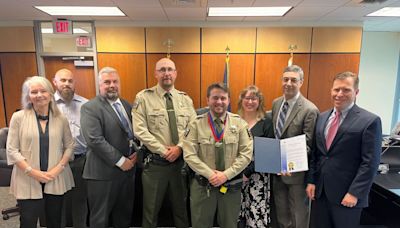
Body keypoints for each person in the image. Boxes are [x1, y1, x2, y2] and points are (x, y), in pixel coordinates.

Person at [306, 71, 382, 228]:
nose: (339, 94)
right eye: (336, 89)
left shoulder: (369, 121)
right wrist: (311, 181)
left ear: (356, 92)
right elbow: (316, 154)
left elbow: (370, 163)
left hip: (348, 196)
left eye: (346, 90)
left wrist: (355, 193)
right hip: (320, 193)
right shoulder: (321, 117)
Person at [132, 57, 196, 228]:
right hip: (155, 166)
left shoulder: (185, 100)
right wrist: (164, 150)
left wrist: (180, 148)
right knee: (150, 212)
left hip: (180, 165)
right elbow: (139, 130)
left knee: (182, 211)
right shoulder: (143, 98)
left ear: (175, 73)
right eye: (162, 70)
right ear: (155, 74)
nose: (166, 73)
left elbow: (193, 129)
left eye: (169, 69)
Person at [6, 76, 74, 228]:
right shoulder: (18, 117)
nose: (39, 95)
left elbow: (69, 145)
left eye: (43, 91)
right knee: (28, 221)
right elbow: (11, 150)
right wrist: (32, 172)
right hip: (27, 178)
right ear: (28, 96)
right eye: (34, 92)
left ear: (50, 94)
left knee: (54, 221)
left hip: (54, 178)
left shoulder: (61, 119)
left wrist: (59, 168)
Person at [182, 82, 253, 228]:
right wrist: (210, 175)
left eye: (223, 98)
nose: (219, 102)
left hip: (230, 187)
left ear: (228, 100)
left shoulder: (240, 124)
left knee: (229, 225)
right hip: (203, 187)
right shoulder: (195, 124)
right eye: (215, 98)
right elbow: (189, 155)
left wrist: (225, 175)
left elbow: (246, 154)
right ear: (208, 100)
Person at [81, 67, 136, 228]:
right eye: (107, 82)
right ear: (99, 85)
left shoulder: (127, 105)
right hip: (102, 175)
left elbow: (134, 135)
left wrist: (136, 154)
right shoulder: (90, 107)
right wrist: (121, 161)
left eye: (115, 81)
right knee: (100, 219)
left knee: (124, 216)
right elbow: (94, 140)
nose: (112, 85)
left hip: (127, 173)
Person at [271, 65, 319, 228]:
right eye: (286, 79)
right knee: (282, 215)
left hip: (296, 174)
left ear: (301, 82)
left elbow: (308, 144)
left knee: (298, 216)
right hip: (277, 172)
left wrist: (285, 163)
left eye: (293, 80)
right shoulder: (276, 103)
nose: (289, 83)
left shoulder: (309, 109)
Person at [53, 69, 88, 228]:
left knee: (80, 202)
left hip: (80, 160)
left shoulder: (86, 105)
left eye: (70, 81)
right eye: (63, 80)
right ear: (55, 82)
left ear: (74, 83)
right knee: (57, 202)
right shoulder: (46, 104)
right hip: (56, 163)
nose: (67, 84)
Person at [237, 85, 274, 228]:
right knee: (237, 214)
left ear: (259, 101)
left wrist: (248, 172)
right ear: (242, 100)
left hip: (258, 175)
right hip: (236, 173)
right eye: (247, 98)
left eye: (254, 98)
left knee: (255, 215)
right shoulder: (234, 121)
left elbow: (268, 153)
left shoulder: (266, 123)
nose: (250, 102)